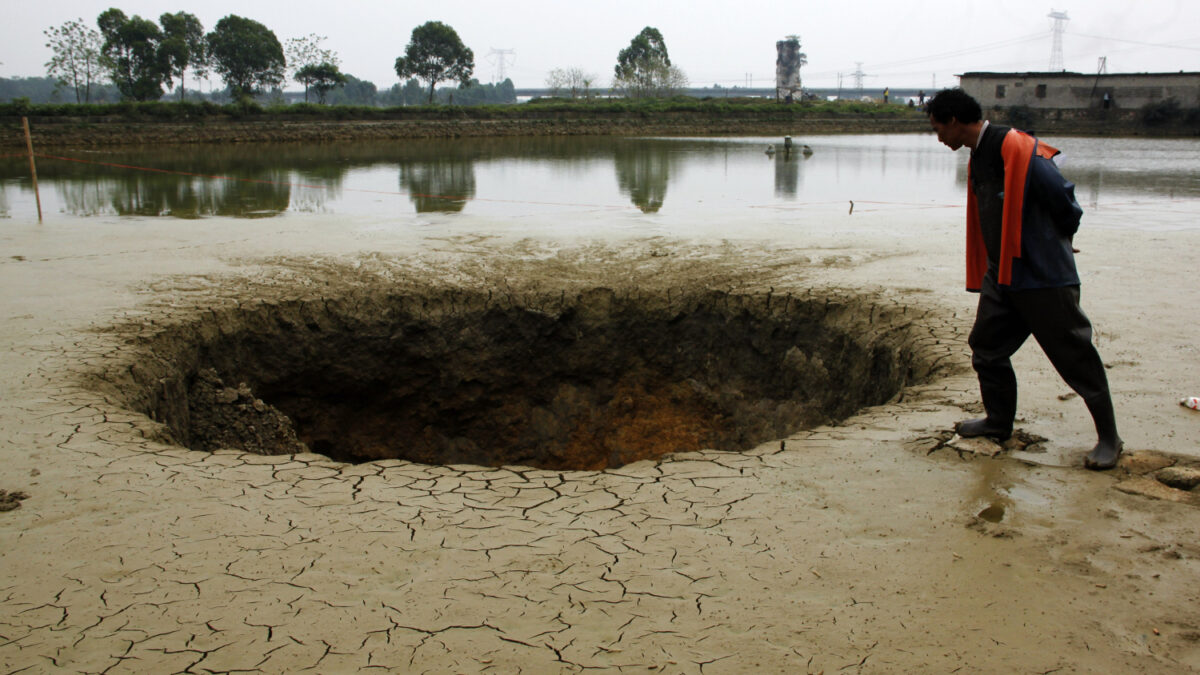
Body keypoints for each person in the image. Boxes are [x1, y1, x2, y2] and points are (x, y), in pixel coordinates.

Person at [926, 88, 1123, 470]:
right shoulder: (979, 155)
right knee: (986, 348)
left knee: (1075, 357)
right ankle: (998, 422)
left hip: (1042, 277)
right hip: (1003, 276)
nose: (938, 138)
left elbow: (1065, 202)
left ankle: (1109, 438)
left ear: (953, 121)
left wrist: (1056, 243)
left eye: (938, 128)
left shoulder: (1019, 149)